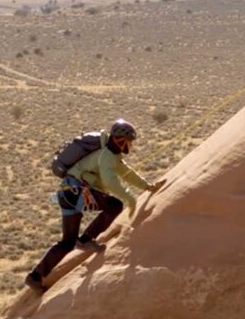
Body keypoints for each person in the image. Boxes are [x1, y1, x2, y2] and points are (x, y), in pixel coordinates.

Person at [24, 119, 165, 293]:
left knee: (67, 242)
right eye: (129, 141)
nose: (130, 145)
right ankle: (86, 240)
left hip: (67, 194)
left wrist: (148, 186)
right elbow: (110, 182)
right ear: (121, 139)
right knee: (114, 205)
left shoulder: (112, 156)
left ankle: (35, 277)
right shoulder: (107, 156)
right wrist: (129, 198)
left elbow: (128, 174)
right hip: (77, 193)